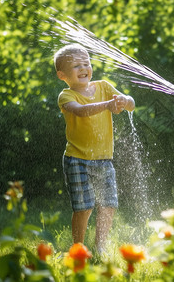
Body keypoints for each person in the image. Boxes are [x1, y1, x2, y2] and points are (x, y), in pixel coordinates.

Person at [55, 44, 135, 254]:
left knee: (109, 203)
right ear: (62, 75)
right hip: (76, 159)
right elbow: (81, 112)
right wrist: (107, 105)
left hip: (104, 158)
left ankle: (100, 247)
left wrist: (125, 100)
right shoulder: (66, 96)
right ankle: (78, 248)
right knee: (84, 207)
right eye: (76, 66)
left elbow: (131, 104)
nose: (83, 68)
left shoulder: (104, 87)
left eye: (86, 63)